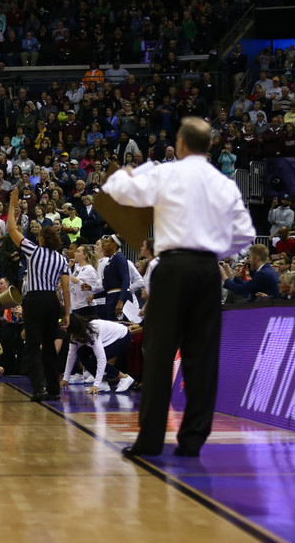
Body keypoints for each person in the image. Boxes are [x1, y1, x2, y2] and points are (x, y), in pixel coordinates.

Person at [102, 117, 254, 458]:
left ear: (181, 145)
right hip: (206, 269)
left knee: (158, 353)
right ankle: (192, 441)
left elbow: (116, 190)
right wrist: (212, 250)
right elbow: (245, 234)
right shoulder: (224, 184)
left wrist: (132, 173)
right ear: (210, 146)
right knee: (201, 355)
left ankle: (151, 440)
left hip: (171, 267)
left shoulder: (166, 173)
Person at [7, 185, 70, 402]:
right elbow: (65, 289)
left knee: (32, 346)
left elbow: (11, 231)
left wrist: (13, 205)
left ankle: (39, 389)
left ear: (41, 239)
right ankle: (54, 389)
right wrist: (67, 314)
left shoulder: (33, 251)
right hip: (52, 301)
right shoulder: (62, 259)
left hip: (34, 300)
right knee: (50, 347)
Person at [60, 315, 135, 394]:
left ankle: (124, 378)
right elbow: (71, 356)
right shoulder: (73, 335)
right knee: (81, 353)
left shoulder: (92, 331)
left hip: (122, 337)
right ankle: (103, 383)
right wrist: (65, 379)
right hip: (107, 339)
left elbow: (101, 359)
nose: (62, 328)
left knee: (95, 359)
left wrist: (96, 385)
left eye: (64, 325)